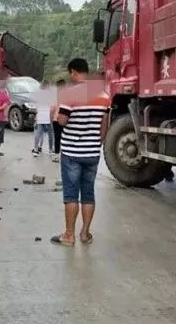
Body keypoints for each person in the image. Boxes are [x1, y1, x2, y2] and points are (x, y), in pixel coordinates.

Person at [51, 58, 109, 247]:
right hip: (92, 152)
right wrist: (96, 143)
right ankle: (85, 233)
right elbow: (104, 126)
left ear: (74, 72)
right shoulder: (103, 94)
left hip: (71, 152)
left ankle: (69, 235)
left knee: (70, 194)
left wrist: (60, 112)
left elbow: (62, 121)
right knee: (88, 194)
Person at [31, 81, 54, 156]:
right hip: (48, 116)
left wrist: (37, 116)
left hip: (40, 116)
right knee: (50, 134)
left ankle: (35, 149)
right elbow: (51, 108)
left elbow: (36, 108)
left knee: (38, 133)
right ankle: (50, 150)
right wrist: (51, 118)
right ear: (47, 86)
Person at [50, 79, 65, 162]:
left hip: (56, 119)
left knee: (57, 137)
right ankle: (65, 154)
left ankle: (56, 155)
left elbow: (52, 108)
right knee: (65, 137)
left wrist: (51, 117)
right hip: (65, 119)